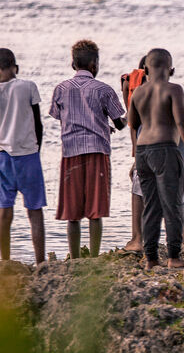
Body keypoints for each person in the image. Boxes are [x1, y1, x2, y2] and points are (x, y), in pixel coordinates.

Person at [49, 40, 126, 258]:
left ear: (73, 64)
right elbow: (119, 124)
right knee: (95, 210)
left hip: (70, 152)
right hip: (96, 152)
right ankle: (92, 257)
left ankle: (74, 258)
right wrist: (132, 112)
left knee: (72, 213)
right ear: (94, 65)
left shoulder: (60, 89)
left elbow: (61, 118)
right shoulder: (104, 89)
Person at [127, 48, 184, 268]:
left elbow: (132, 122)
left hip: (143, 152)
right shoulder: (174, 89)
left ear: (146, 69)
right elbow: (182, 122)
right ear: (172, 70)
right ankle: (174, 256)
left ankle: (150, 259)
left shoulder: (138, 92)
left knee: (151, 206)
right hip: (165, 149)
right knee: (172, 205)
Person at [0, 48, 46, 264]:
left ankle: (5, 261)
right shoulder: (28, 87)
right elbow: (38, 124)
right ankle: (40, 262)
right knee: (34, 212)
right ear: (16, 68)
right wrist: (37, 151)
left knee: (5, 211)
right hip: (29, 157)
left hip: (3, 158)